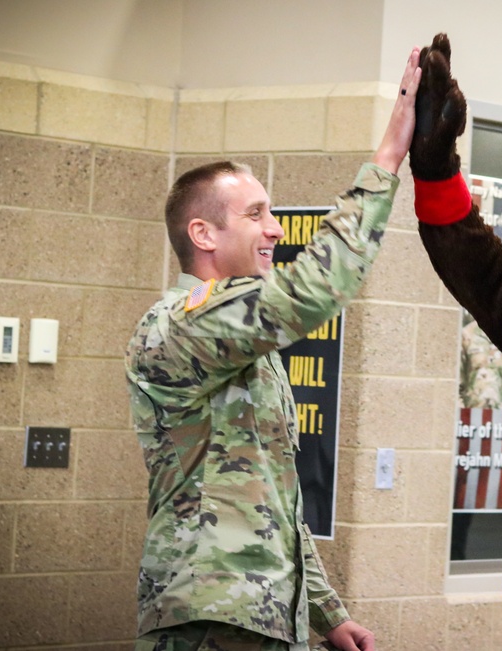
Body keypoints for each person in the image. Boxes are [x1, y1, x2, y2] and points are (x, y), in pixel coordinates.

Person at [125, 48, 421, 651]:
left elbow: (272, 501)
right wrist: (388, 155)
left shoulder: (247, 351)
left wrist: (327, 614)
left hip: (265, 619)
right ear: (203, 234)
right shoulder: (176, 327)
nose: (276, 229)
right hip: (208, 619)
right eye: (257, 214)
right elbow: (312, 291)